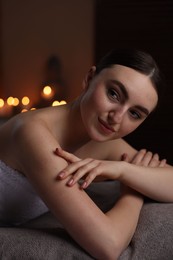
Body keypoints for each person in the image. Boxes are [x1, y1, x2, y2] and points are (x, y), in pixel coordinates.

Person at [0, 48, 172, 260]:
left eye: (134, 113)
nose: (116, 118)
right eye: (113, 94)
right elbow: (108, 246)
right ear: (90, 78)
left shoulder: (104, 144)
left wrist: (124, 170)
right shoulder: (32, 133)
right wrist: (132, 192)